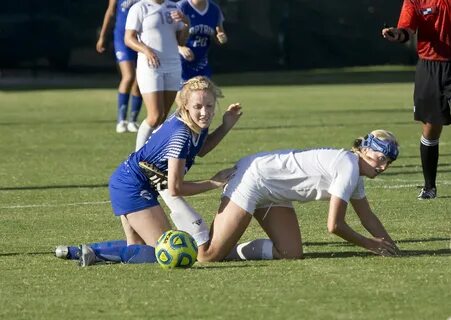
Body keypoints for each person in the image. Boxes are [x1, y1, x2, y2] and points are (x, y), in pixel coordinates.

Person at [57, 76, 242, 266]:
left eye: (210, 106)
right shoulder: (180, 135)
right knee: (165, 250)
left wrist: (226, 125)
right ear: (185, 105)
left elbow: (201, 149)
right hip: (131, 186)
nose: (205, 112)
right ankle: (91, 253)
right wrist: (213, 182)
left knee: (138, 247)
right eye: (198, 107)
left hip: (133, 182)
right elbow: (175, 188)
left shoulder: (195, 122)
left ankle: (77, 251)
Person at [195, 130, 401, 262]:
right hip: (252, 179)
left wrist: (392, 248)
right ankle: (187, 240)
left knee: (290, 253)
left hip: (274, 193)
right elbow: (334, 226)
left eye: (388, 162)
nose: (383, 166)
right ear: (364, 149)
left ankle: (228, 250)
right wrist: (369, 244)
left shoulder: (355, 174)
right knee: (208, 256)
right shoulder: (348, 167)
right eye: (380, 158)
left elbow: (367, 217)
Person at [382, 0, 451, 199]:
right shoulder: (414, 1)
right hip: (429, 68)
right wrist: (397, 34)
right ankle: (429, 187)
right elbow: (407, 29)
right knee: (431, 126)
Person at [124, 0, 190, 151]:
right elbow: (129, 38)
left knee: (162, 118)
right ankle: (137, 156)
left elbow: (181, 40)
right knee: (155, 115)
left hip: (173, 64)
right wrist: (146, 50)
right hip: (151, 67)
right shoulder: (139, 7)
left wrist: (186, 23)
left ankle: (154, 155)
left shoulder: (173, 6)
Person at [96, 0, 143, 133]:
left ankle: (133, 120)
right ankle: (121, 120)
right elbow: (110, 12)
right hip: (122, 37)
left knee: (139, 79)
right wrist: (102, 36)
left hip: (141, 37)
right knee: (129, 76)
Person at [176, 0, 227, 82]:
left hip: (202, 64)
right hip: (180, 64)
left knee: (204, 94)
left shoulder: (214, 9)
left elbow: (219, 35)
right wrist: (180, 48)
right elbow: (167, 36)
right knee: (183, 93)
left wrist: (222, 38)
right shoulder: (181, 6)